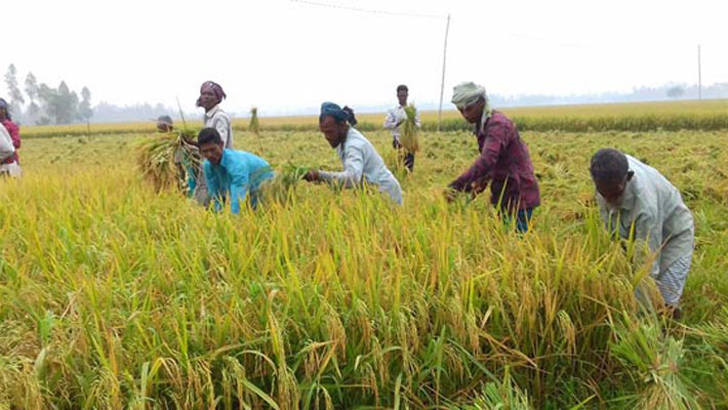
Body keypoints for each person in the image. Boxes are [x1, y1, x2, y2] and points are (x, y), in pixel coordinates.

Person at [590, 148, 694, 318]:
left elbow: (646, 263)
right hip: (634, 234)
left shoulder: (646, 207)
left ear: (628, 177)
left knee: (664, 299)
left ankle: (666, 337)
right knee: (629, 283)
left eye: (615, 194)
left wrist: (638, 313)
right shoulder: (605, 173)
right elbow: (610, 229)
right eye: (604, 194)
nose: (609, 200)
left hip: (674, 235)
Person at [446, 82, 540, 232]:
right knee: (504, 239)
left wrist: (458, 185)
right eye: (460, 110)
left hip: (518, 193)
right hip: (504, 194)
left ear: (481, 102)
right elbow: (495, 162)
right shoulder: (483, 124)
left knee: (515, 246)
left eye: (469, 109)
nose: (465, 115)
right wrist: (480, 182)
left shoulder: (497, 124)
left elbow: (488, 159)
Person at [303, 102, 403, 205]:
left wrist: (319, 176)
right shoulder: (342, 138)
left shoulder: (353, 146)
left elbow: (353, 178)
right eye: (324, 132)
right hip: (371, 193)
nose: (327, 137)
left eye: (330, 132)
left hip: (385, 195)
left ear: (341, 125)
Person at [197, 127, 273, 213]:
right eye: (205, 151)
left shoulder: (236, 165)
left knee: (258, 211)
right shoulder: (207, 165)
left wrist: (233, 222)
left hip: (264, 177)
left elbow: (238, 198)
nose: (209, 155)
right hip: (245, 181)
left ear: (221, 145)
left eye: (213, 149)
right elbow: (215, 195)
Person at [193, 81, 233, 206]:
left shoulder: (219, 117)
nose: (205, 97)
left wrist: (197, 145)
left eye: (210, 94)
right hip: (211, 162)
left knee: (216, 195)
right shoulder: (209, 117)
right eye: (203, 93)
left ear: (217, 98)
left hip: (218, 163)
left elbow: (219, 144)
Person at [384, 84, 420, 172]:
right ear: (397, 96)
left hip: (410, 142)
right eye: (401, 96)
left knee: (409, 166)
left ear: (407, 95)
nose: (402, 98)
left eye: (404, 95)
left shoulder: (412, 110)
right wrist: (398, 123)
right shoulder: (392, 110)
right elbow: (386, 125)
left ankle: (409, 181)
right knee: (398, 164)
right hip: (397, 141)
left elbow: (419, 124)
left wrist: (411, 123)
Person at [0, 98, 22, 177]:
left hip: (11, 161)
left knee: (15, 185)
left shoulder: (11, 126)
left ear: (5, 110)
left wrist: (5, 145)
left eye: (2, 109)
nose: (0, 111)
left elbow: (17, 143)